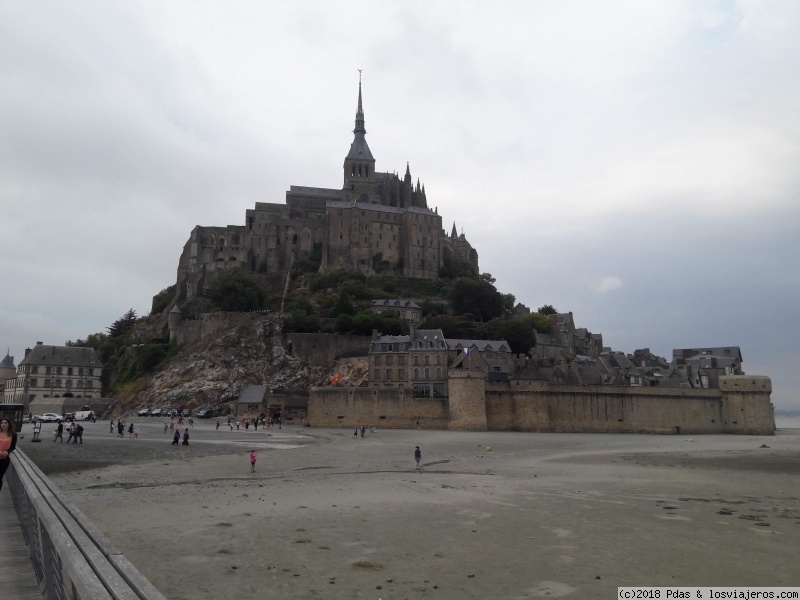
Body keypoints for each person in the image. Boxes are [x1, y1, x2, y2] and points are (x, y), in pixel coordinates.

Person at [0, 418, 18, 492]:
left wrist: (7, 451)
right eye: (2, 423)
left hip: (4, 460)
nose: (3, 425)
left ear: (9, 424)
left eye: (5, 423)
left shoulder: (13, 435)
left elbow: (13, 446)